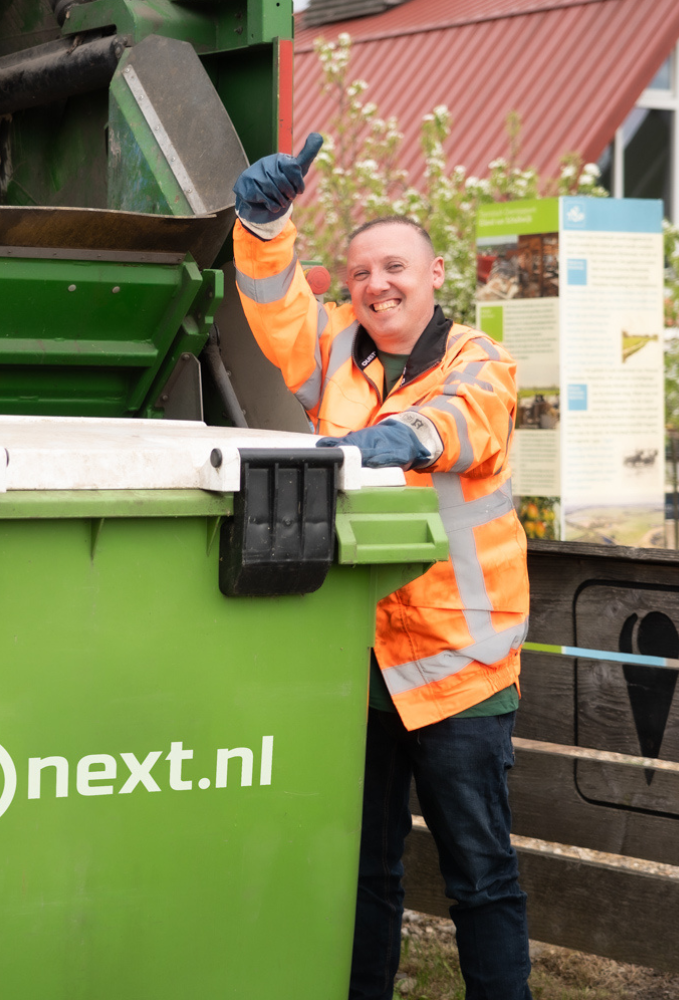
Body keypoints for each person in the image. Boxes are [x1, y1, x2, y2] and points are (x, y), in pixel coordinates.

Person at [231, 136, 532, 1000]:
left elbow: (467, 421)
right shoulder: (335, 349)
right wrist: (263, 225)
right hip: (358, 662)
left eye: (394, 267)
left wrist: (403, 438)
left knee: (480, 872)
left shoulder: (478, 358)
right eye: (360, 272)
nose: (376, 285)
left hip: (460, 667)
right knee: (363, 870)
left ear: (435, 274)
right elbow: (277, 307)